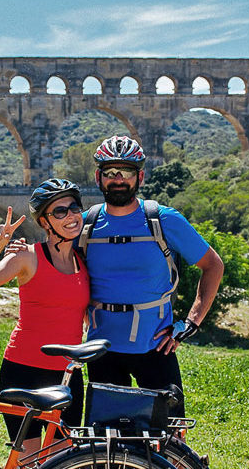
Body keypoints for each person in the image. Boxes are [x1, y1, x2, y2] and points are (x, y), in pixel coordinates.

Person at [79, 135, 223, 420]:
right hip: (101, 348)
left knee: (169, 440)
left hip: (156, 347)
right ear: (98, 177)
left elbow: (213, 265)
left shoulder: (163, 219)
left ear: (140, 176)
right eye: (110, 172)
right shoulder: (85, 224)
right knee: (102, 444)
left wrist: (191, 323)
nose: (118, 179)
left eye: (127, 172)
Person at [0, 178, 90, 442]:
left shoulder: (85, 260)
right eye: (60, 211)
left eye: (74, 207)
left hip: (68, 374)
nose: (70, 215)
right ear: (45, 222)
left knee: (63, 461)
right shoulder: (27, 256)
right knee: (28, 461)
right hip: (24, 368)